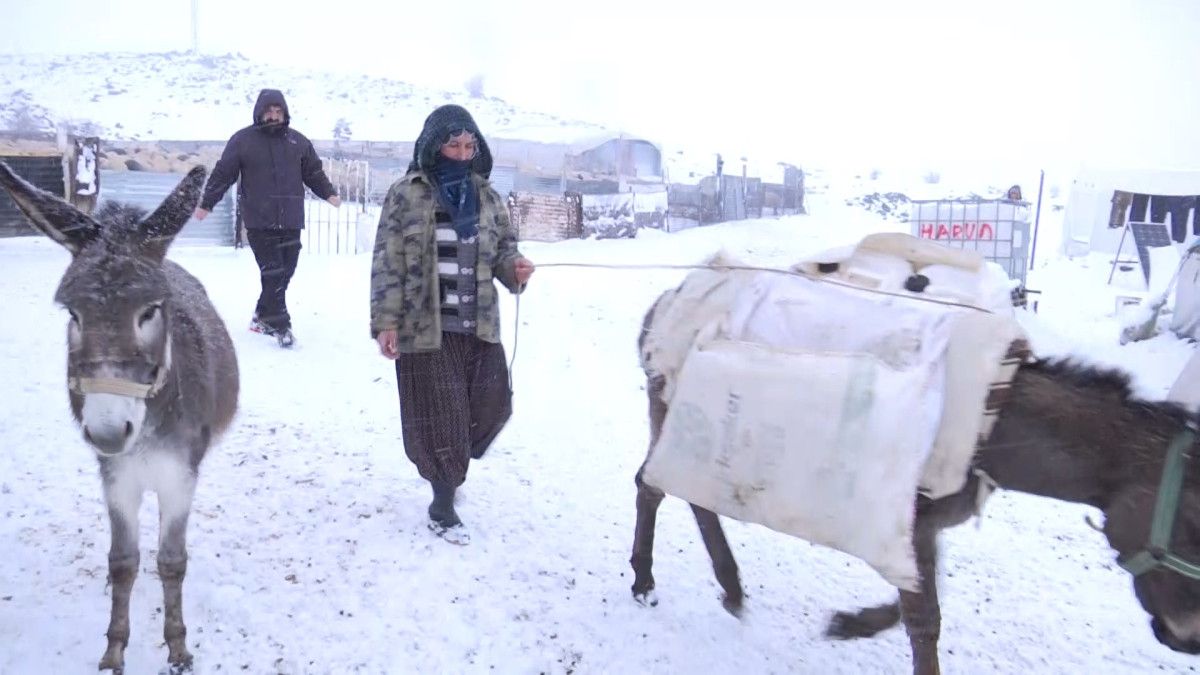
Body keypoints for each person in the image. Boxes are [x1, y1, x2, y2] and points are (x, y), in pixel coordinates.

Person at [370, 104, 534, 545]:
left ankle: (451, 463)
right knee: (442, 417)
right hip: (427, 328)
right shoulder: (406, 194)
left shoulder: (487, 197)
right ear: (433, 146)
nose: (462, 154)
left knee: (493, 406)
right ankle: (442, 500)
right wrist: (386, 322)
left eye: (468, 146)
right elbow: (387, 262)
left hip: (479, 325)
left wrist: (514, 267)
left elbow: (504, 249)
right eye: (453, 145)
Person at [194, 88, 341, 348]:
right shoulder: (243, 141)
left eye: (278, 111)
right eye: (269, 111)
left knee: (286, 271)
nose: (273, 116)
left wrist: (328, 193)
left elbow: (313, 173)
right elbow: (223, 174)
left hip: (291, 219)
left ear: (285, 113)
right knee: (273, 272)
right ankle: (281, 325)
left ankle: (262, 315)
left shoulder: (298, 142)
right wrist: (207, 202)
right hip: (259, 220)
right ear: (260, 113)